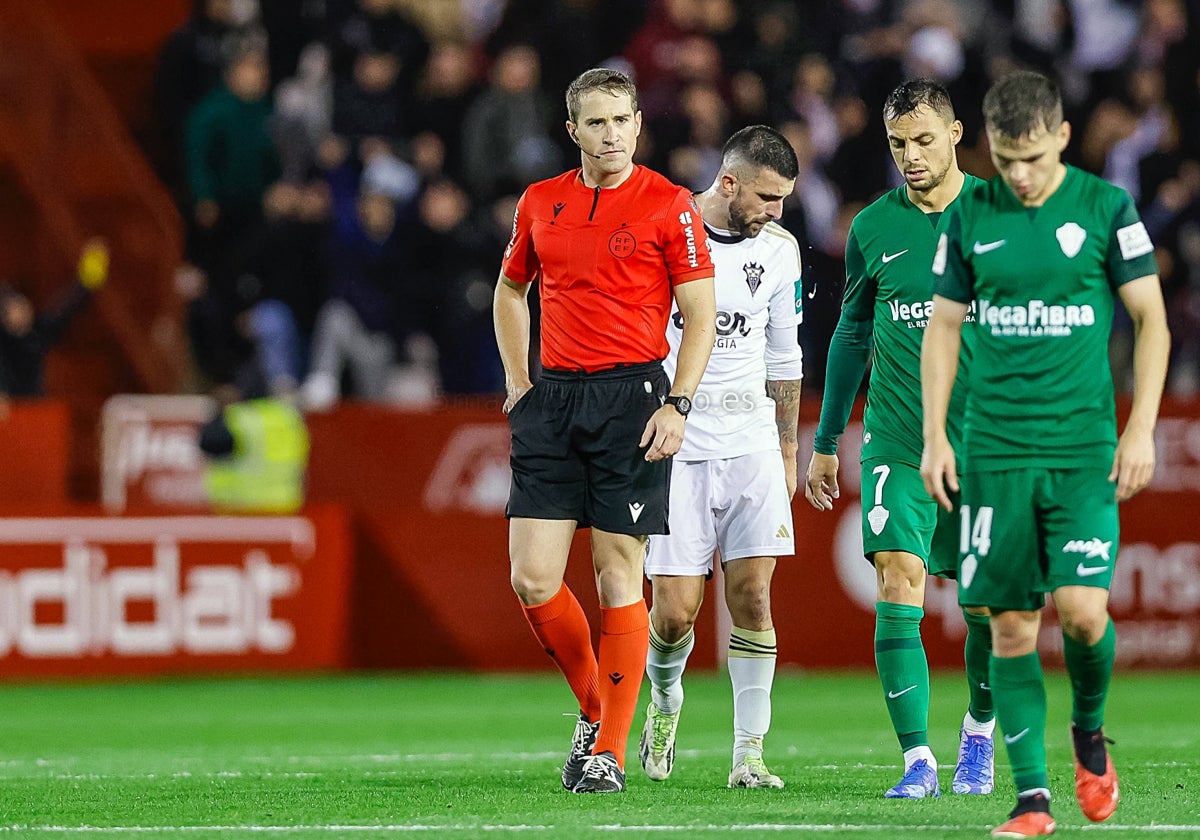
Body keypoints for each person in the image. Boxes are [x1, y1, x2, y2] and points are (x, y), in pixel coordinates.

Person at [920, 70, 1170, 838]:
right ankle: (1032, 801)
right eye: (1005, 158)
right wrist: (936, 435)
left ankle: (1088, 733)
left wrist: (1142, 428)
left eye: (1031, 156)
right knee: (1010, 628)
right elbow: (945, 327)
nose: (1019, 175)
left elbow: (1151, 321)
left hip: (1081, 447)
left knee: (1085, 614)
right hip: (993, 450)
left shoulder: (1105, 207)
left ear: (1061, 137)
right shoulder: (973, 216)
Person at [493, 67, 717, 794]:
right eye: (596, 122)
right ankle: (596, 708)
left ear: (638, 123)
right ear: (573, 131)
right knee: (532, 578)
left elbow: (701, 315)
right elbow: (510, 288)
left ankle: (610, 754)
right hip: (553, 400)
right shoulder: (541, 202)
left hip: (634, 399)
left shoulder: (670, 204)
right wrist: (518, 382)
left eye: (621, 119)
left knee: (617, 573)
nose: (611, 134)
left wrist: (677, 403)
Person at [804, 79, 995, 800]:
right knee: (897, 576)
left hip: (983, 443)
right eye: (897, 144)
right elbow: (853, 332)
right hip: (897, 440)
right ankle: (917, 761)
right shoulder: (872, 228)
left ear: (954, 134)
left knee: (982, 604)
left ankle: (978, 731)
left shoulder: (999, 216)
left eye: (922, 140)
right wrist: (827, 438)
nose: (910, 157)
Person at [637, 125, 802, 790]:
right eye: (766, 196)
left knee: (754, 599)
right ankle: (665, 702)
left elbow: (785, 355)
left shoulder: (782, 251)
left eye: (785, 198)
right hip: (679, 441)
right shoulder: (666, 232)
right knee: (675, 612)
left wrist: (789, 448)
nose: (777, 212)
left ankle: (749, 754)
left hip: (753, 442)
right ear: (728, 183)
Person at [0, 239, 109, 402]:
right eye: (12, 310)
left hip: (32, 407)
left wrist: (89, 275)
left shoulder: (40, 329)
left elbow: (68, 307)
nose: (19, 314)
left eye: (22, 307)